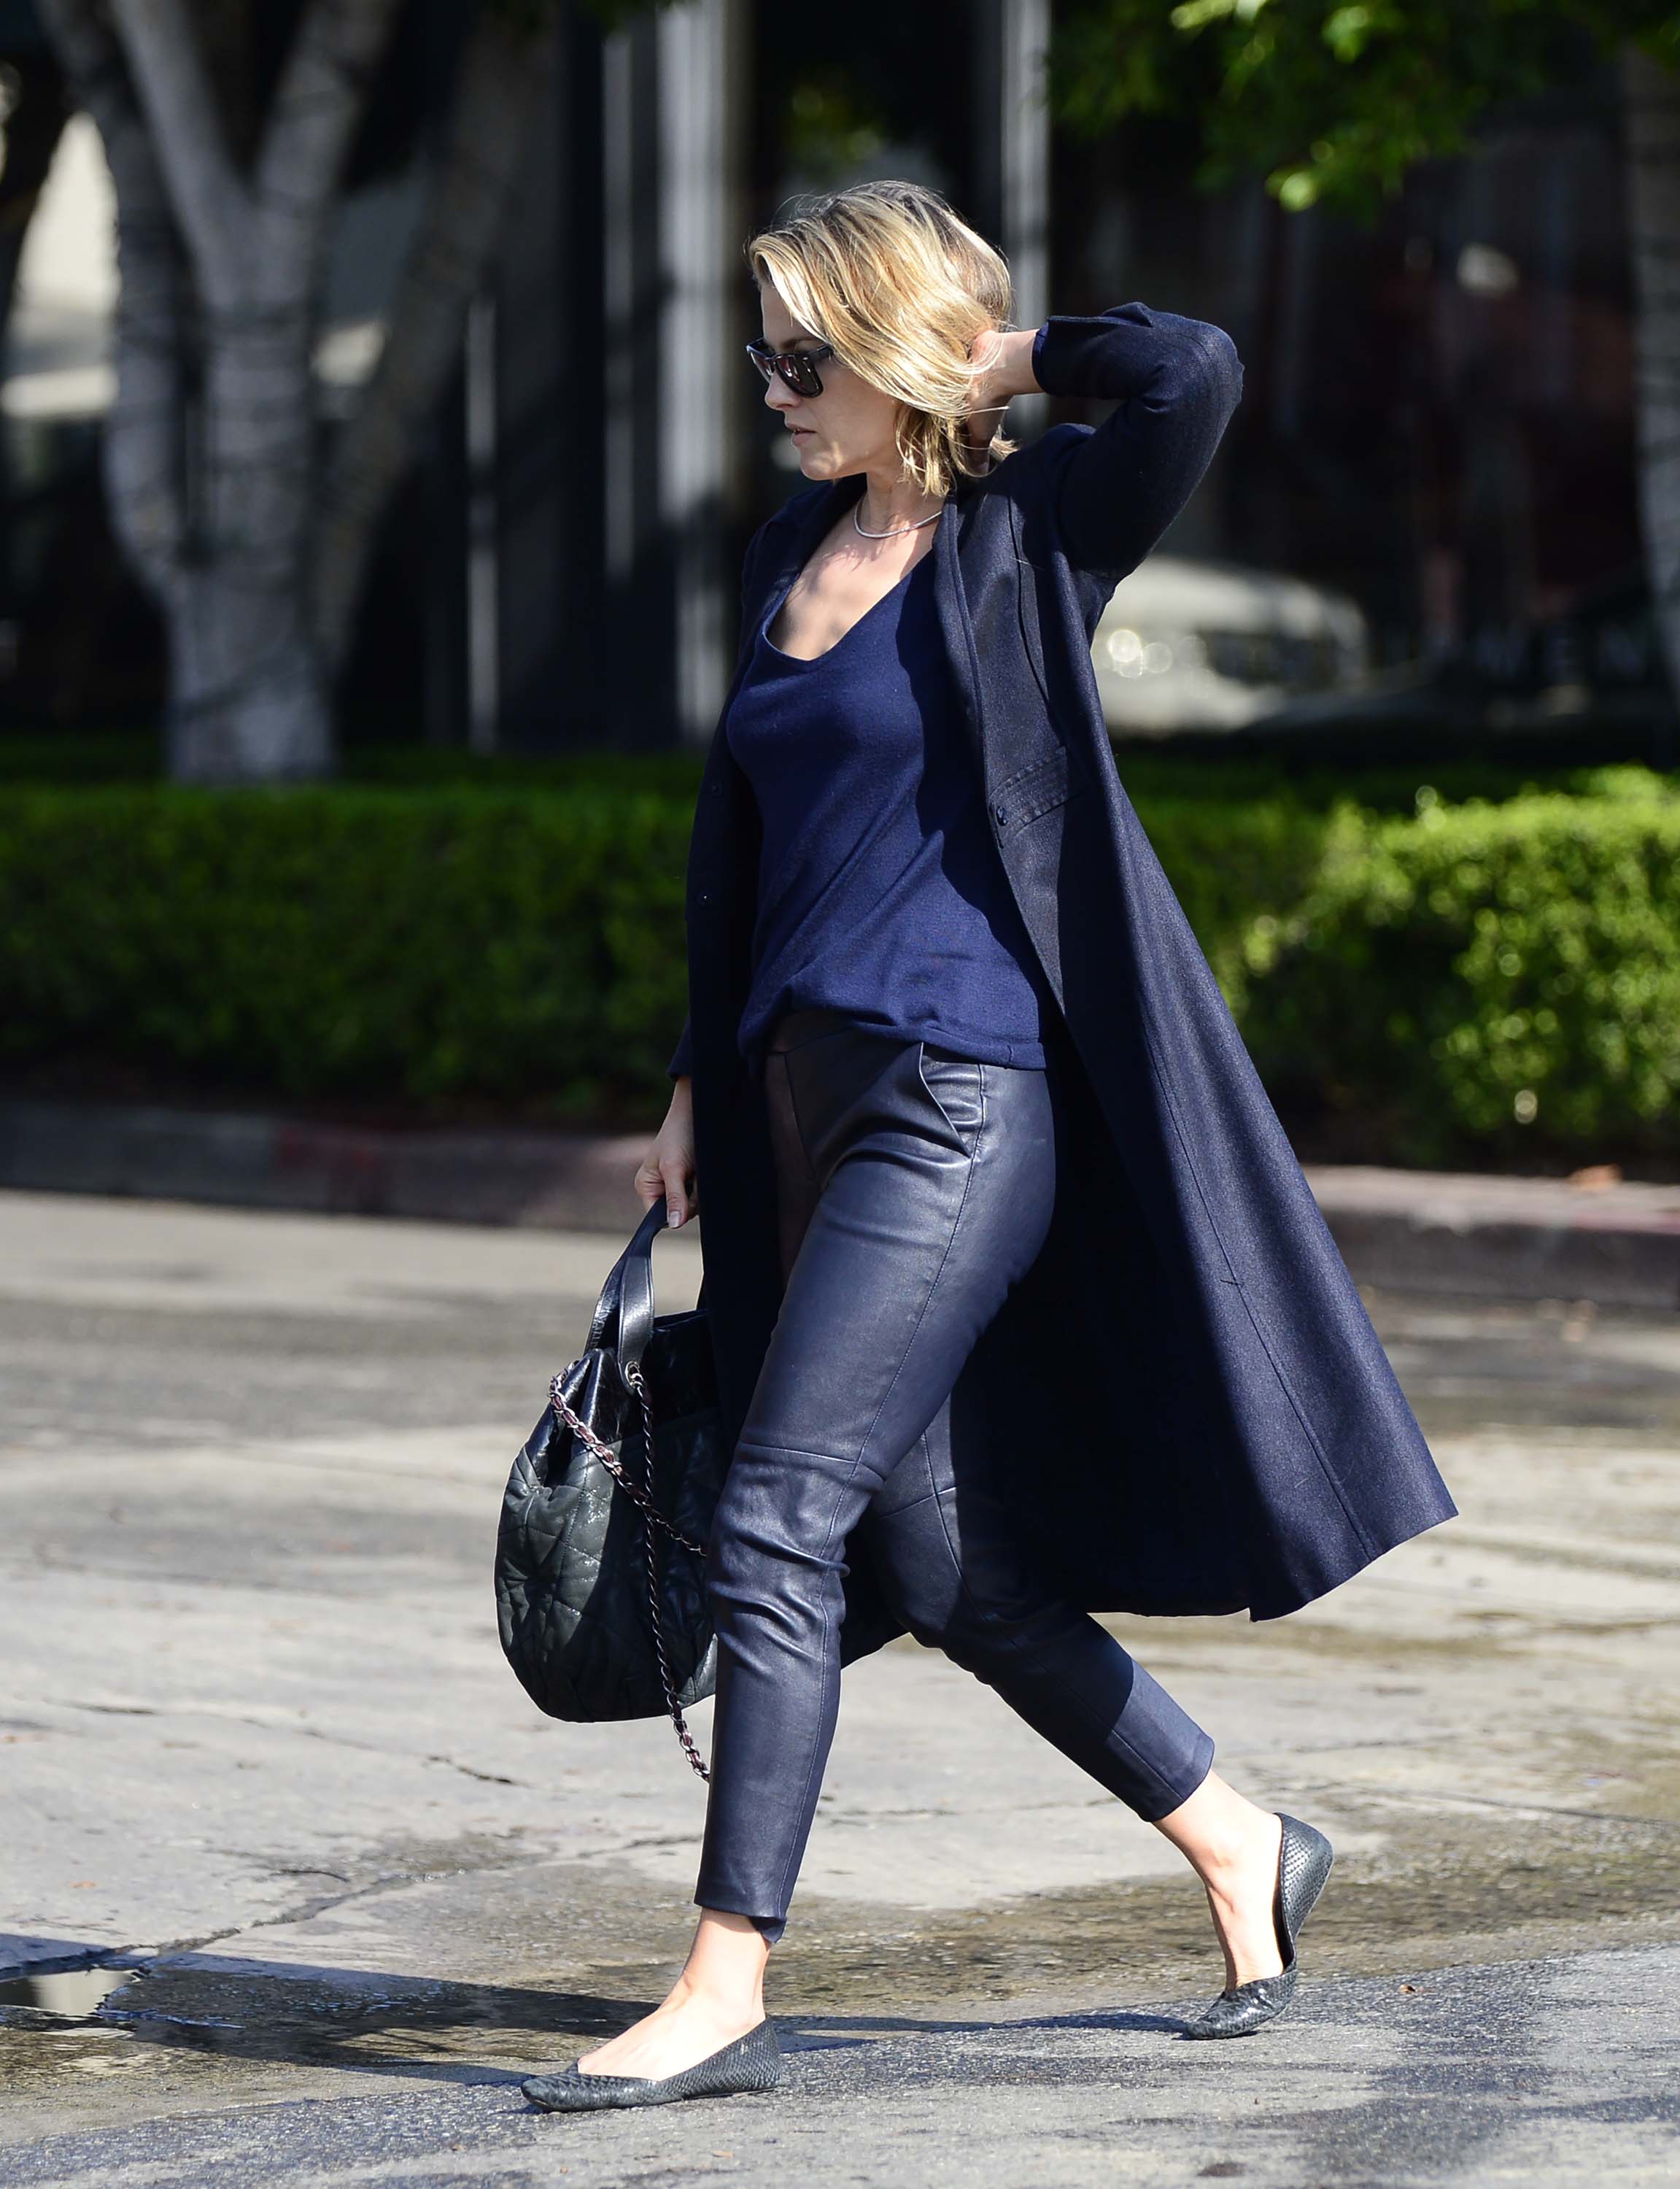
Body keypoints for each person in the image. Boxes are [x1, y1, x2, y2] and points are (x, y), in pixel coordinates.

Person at [521, 180, 1454, 2115]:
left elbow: (1192, 374)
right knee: (945, 1565)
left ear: (891, 352)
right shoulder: (794, 545)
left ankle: (724, 1978)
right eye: (764, 352)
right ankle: (1241, 1842)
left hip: (960, 1099)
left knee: (779, 1512)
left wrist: (1011, 356)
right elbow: (741, 845)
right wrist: (700, 1074)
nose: (771, 386)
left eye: (804, 352)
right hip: (796, 1107)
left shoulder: (1030, 534)